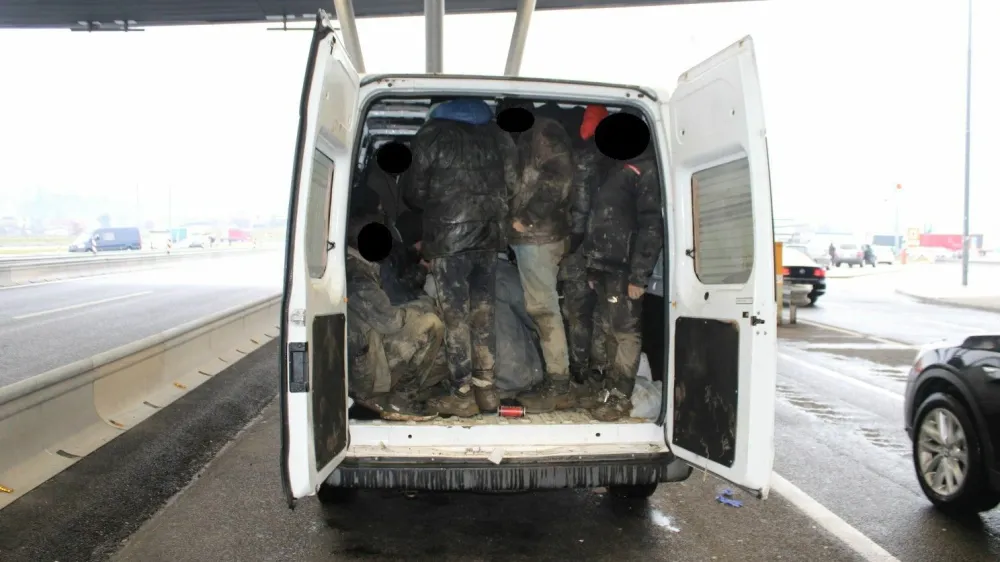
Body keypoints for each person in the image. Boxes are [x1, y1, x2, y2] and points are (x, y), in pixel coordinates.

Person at [404, 98, 518, 417]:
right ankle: (488, 391)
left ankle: (461, 393)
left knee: (456, 316)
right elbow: (513, 185)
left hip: (448, 237)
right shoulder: (499, 136)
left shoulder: (431, 134)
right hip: (488, 236)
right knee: (483, 313)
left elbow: (414, 191)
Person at [582, 124, 663, 422]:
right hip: (603, 266)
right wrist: (593, 266)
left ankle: (619, 396)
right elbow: (598, 218)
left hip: (624, 268)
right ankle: (607, 388)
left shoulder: (643, 170)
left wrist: (638, 276)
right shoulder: (610, 167)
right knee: (606, 330)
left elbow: (652, 226)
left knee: (624, 333)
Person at [500, 106, 577, 413]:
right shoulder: (524, 137)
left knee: (544, 309)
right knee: (540, 307)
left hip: (539, 237)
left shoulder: (543, 132)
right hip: (529, 238)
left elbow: (561, 178)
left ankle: (559, 385)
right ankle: (553, 376)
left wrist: (527, 218)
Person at [345, 208, 449, 420]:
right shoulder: (358, 276)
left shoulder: (357, 265)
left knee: (430, 323)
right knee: (430, 324)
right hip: (364, 372)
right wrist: (423, 307)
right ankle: (400, 400)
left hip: (366, 355)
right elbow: (391, 321)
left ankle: (406, 393)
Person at [559, 105, 612, 399]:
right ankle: (601, 375)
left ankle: (579, 374)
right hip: (614, 254)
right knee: (604, 317)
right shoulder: (618, 160)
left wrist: (571, 248)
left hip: (583, 251)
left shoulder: (583, 159)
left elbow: (579, 209)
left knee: (577, 314)